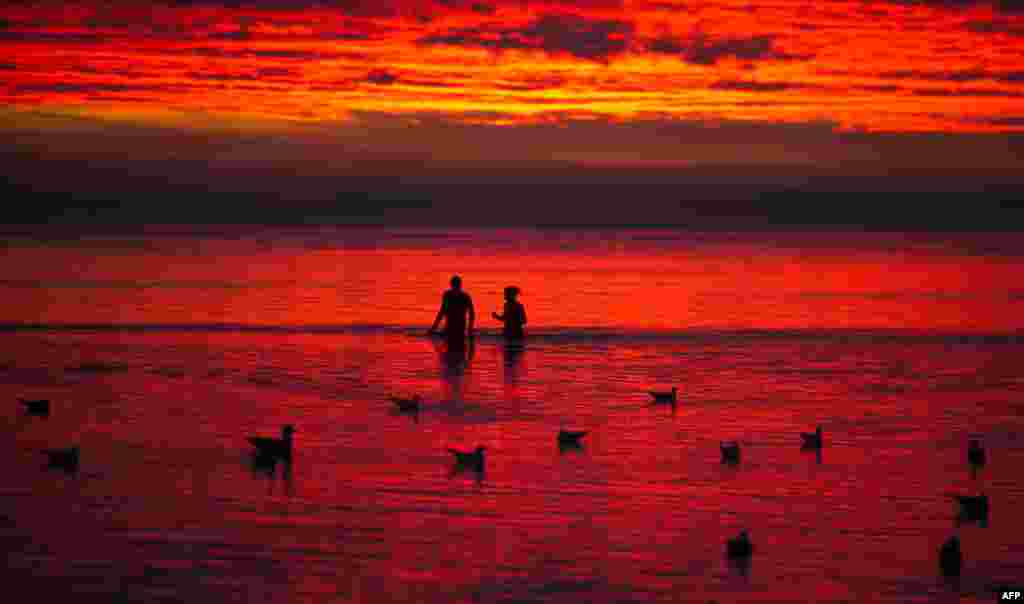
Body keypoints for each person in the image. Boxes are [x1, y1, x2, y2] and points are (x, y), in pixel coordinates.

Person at [428, 275, 475, 346]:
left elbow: (472, 313)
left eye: (457, 285)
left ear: (460, 286)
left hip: (460, 326)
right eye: (454, 285)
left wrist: (470, 329)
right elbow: (442, 311)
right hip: (449, 325)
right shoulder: (447, 295)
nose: (455, 287)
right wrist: (433, 328)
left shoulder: (465, 297)